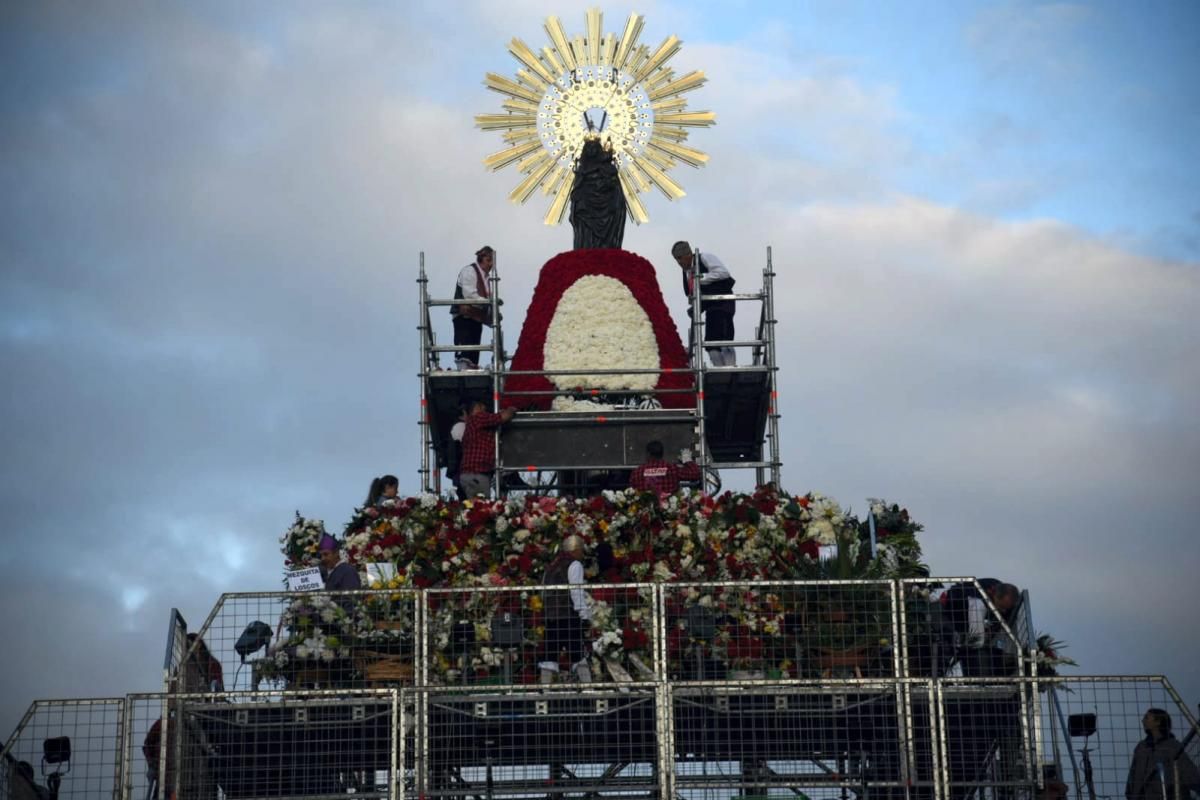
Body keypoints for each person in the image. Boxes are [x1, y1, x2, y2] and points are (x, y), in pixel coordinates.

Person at [672, 240, 736, 366]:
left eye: (680, 258)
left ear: (688, 254)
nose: (679, 262)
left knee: (724, 338)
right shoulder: (686, 272)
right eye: (676, 259)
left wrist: (700, 278)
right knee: (710, 343)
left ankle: (730, 369)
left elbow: (724, 273)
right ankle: (720, 370)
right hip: (709, 307)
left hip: (722, 302)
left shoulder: (704, 258)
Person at [938, 579, 1020, 676]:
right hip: (951, 610)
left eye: (1006, 609)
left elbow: (1004, 621)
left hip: (964, 617)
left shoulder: (1000, 591)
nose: (1003, 611)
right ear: (994, 596)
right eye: (1001, 607)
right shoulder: (976, 599)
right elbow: (976, 636)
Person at [540, 534, 593, 683]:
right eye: (581, 551)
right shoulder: (574, 565)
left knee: (549, 655)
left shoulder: (551, 566)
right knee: (578, 653)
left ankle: (545, 690)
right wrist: (584, 615)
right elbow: (576, 591)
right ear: (576, 550)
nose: (582, 555)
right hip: (568, 616)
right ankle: (588, 686)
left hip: (551, 617)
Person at [1126, 708, 1200, 800]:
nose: (1143, 720)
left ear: (1158, 722)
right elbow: (1132, 776)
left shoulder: (1172, 745)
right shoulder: (1141, 747)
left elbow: (1188, 771)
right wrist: (1131, 794)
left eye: (1146, 717)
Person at [569, 137, 626, 249]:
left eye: (594, 147)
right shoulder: (582, 169)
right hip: (586, 207)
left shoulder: (608, 167)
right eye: (588, 148)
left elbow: (615, 187)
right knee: (586, 235)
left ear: (599, 149)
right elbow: (576, 190)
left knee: (607, 239)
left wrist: (606, 184)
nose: (591, 150)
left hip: (606, 207)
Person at [458, 401, 516, 497]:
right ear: (477, 408)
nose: (485, 411)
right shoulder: (478, 418)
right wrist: (511, 409)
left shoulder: (471, 424)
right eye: (483, 408)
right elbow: (503, 417)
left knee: (475, 506)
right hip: (477, 472)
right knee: (482, 507)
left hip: (469, 474)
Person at [450, 245, 495, 370]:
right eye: (488, 260)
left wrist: (492, 313)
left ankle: (472, 366)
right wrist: (488, 303)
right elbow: (470, 295)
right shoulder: (469, 271)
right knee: (465, 343)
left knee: (474, 344)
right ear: (481, 258)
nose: (491, 264)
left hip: (476, 316)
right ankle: (463, 366)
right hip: (464, 315)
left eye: (492, 261)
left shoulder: (486, 278)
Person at [629, 440, 701, 495]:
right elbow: (695, 473)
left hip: (645, 512)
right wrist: (687, 459)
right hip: (669, 511)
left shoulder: (637, 472)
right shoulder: (672, 469)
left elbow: (632, 491)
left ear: (648, 454)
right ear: (662, 453)